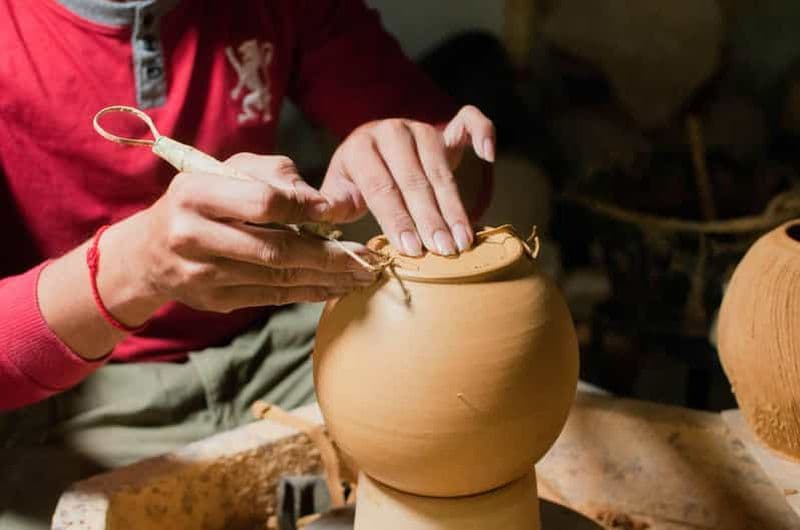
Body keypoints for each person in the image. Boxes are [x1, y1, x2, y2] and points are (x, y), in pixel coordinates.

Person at [0, 0, 495, 527]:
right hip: (75, 398)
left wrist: (408, 165)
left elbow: (466, 173)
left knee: (483, 408)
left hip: (278, 348)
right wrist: (130, 269)